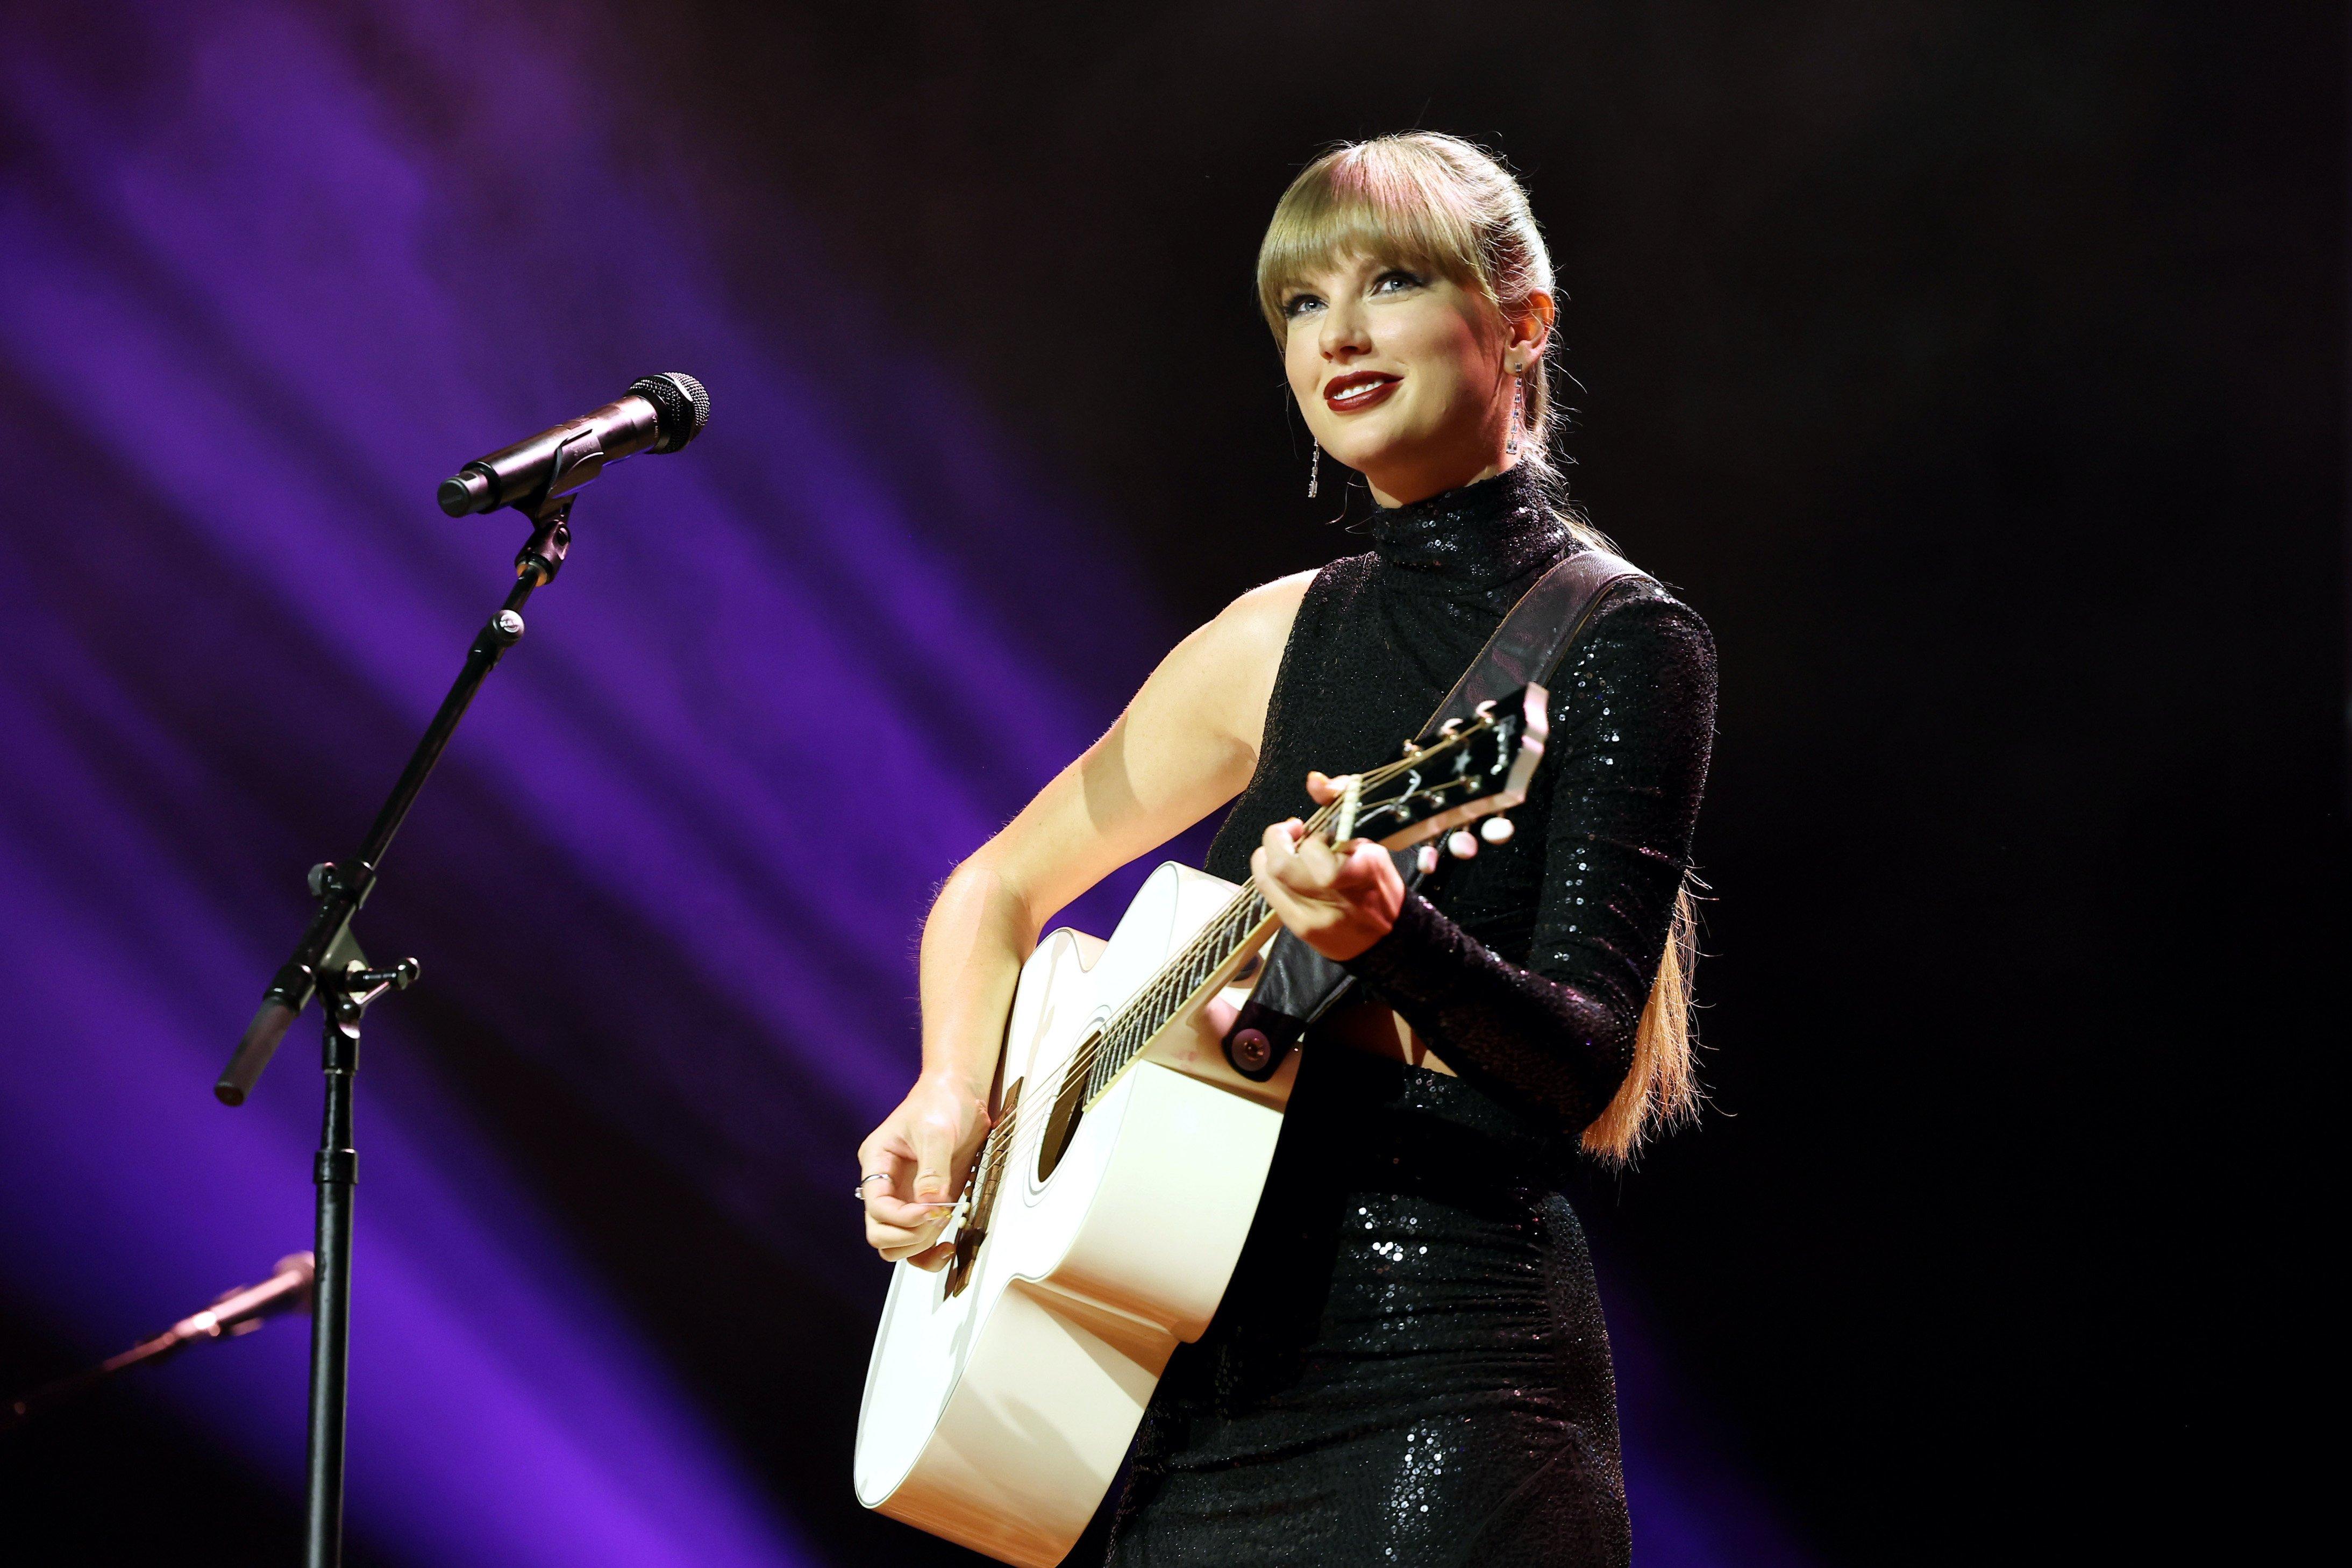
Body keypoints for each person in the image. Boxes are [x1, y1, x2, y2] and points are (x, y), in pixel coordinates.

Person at [859, 132, 1716, 1567]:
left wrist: (1390, 934)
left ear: (1521, 319)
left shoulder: (1623, 644)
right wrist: (952, 1094)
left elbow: (1576, 1060)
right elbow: (994, 889)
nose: (1341, 331)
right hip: (1187, 1400)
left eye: (1389, 279)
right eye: (1301, 304)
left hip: (1444, 1387)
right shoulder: (1269, 638)